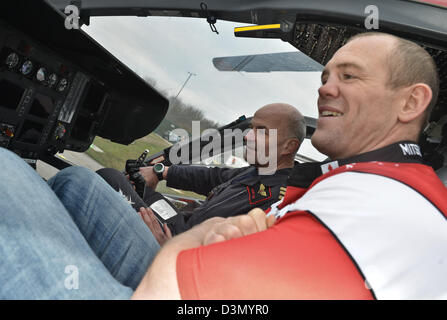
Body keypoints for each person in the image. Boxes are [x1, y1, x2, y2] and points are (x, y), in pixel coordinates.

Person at [0, 32, 446, 300]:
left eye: (349, 76)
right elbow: (215, 179)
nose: (326, 89)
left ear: (411, 102)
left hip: (177, 280)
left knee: (7, 172)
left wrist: (182, 246)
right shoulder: (345, 180)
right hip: (190, 273)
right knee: (78, 182)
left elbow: (175, 287)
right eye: (325, 77)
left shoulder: (380, 204)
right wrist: (169, 175)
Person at [97, 103, 305, 243]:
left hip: (172, 245)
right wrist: (160, 171)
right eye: (251, 129)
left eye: (261, 131)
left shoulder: (278, 200)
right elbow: (211, 177)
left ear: (289, 146)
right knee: (134, 186)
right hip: (177, 226)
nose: (248, 137)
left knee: (109, 178)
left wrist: (171, 249)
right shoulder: (257, 172)